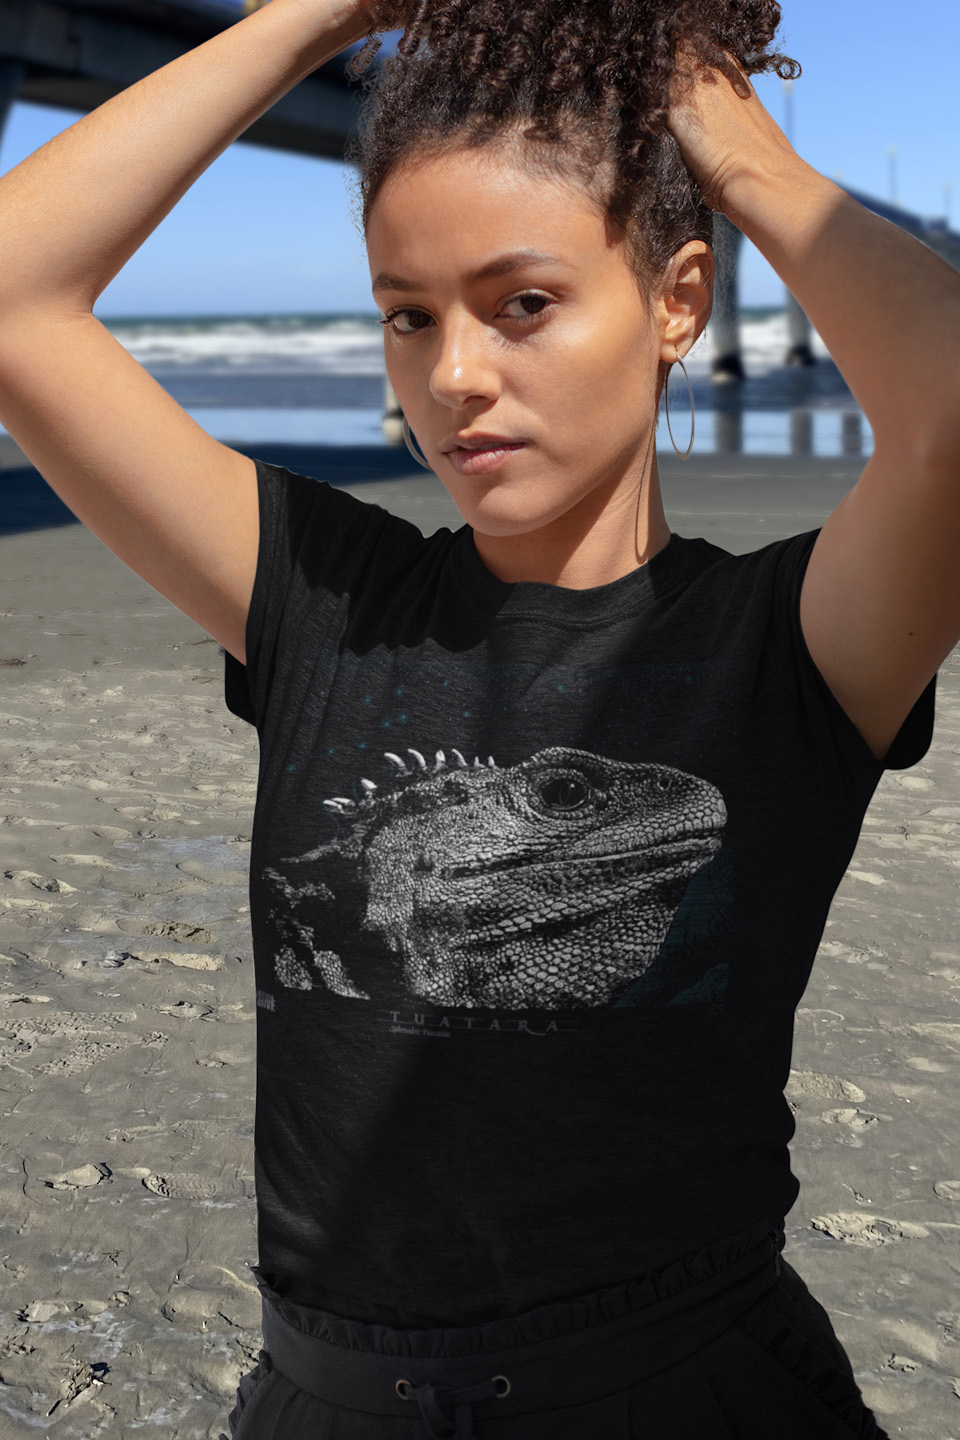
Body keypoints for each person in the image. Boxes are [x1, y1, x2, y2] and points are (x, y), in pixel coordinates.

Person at [0, 0, 956, 1433]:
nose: (452, 377)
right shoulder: (327, 599)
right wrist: (316, 17)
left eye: (524, 302)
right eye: (405, 314)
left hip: (686, 1384)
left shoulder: (786, 643)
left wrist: (726, 133)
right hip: (327, 1395)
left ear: (678, 303)